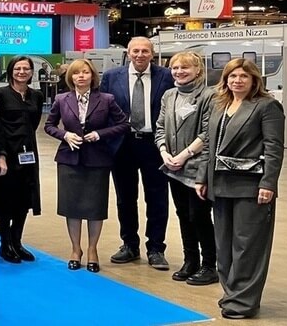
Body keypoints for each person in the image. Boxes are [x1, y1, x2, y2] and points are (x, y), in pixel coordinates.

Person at [195, 59, 285, 320]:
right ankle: (231, 293)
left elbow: (273, 148)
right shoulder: (219, 104)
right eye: (232, 76)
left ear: (254, 79)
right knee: (224, 246)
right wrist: (202, 178)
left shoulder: (267, 106)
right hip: (220, 185)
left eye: (244, 76)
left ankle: (243, 302)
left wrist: (268, 183)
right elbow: (209, 144)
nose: (237, 80)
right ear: (225, 79)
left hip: (251, 187)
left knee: (247, 246)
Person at [44, 58, 128, 273]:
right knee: (71, 207)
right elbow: (49, 125)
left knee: (95, 207)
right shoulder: (61, 99)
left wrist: (100, 134)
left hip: (97, 160)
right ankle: (75, 249)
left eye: (85, 72)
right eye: (76, 73)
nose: (81, 76)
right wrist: (65, 135)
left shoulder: (106, 99)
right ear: (70, 77)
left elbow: (123, 124)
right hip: (69, 160)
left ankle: (92, 249)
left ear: (93, 76)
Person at [101, 36, 175, 270]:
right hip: (122, 145)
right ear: (128, 53)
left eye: (145, 51)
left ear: (152, 54)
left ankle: (156, 248)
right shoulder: (111, 77)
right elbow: (103, 110)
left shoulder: (167, 76)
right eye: (136, 51)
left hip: (155, 145)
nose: (140, 55)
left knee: (157, 198)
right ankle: (129, 245)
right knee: (125, 198)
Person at [155, 51, 218, 286]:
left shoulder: (210, 96)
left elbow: (207, 133)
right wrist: (164, 152)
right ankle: (190, 260)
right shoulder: (169, 95)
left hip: (197, 168)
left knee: (199, 216)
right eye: (175, 68)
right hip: (173, 167)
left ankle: (209, 265)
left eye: (185, 67)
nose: (179, 72)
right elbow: (160, 127)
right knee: (183, 215)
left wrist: (183, 155)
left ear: (197, 70)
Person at [0, 56, 46, 263]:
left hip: (28, 153)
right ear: (10, 71)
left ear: (32, 72)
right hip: (7, 153)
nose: (21, 72)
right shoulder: (1, 94)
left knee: (24, 198)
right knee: (6, 199)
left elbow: (34, 123)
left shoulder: (37, 96)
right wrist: (1, 155)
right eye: (17, 68)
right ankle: (5, 244)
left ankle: (17, 241)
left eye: (26, 68)